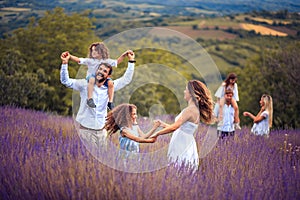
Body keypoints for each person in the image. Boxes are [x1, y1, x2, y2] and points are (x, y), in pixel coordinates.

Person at [60, 50, 136, 135]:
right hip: (86, 130)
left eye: (105, 71)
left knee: (102, 149)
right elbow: (65, 81)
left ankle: (110, 103)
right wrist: (64, 63)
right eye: (100, 69)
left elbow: (126, 79)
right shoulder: (85, 85)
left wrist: (131, 61)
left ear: (108, 76)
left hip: (101, 131)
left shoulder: (110, 87)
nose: (101, 72)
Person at [150, 80, 214, 170]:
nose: (184, 91)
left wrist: (157, 133)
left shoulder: (189, 110)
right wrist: (163, 124)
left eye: (186, 89)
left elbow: (175, 127)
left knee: (179, 167)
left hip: (181, 143)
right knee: (183, 168)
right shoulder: (194, 109)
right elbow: (180, 128)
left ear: (192, 93)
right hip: (186, 141)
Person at [68, 42, 132, 109]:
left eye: (95, 50)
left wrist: (124, 55)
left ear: (101, 51)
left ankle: (110, 102)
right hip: (91, 77)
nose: (93, 52)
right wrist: (70, 56)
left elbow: (117, 62)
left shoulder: (106, 61)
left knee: (111, 83)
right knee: (92, 80)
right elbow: (78, 60)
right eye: (92, 50)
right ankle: (90, 99)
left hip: (102, 78)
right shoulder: (90, 61)